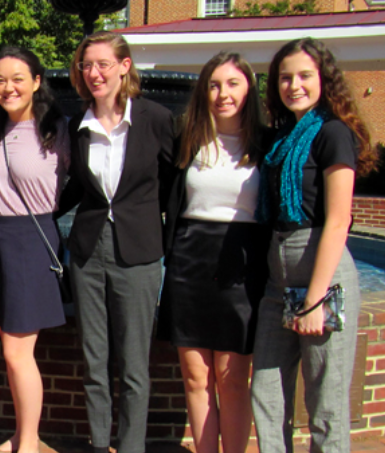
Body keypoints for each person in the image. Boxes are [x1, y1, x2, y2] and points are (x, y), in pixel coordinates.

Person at [250, 37, 377, 453]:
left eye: (305, 75)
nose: (294, 85)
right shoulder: (280, 140)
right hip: (279, 274)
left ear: (324, 78)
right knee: (266, 394)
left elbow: (339, 220)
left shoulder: (332, 133)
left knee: (325, 404)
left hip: (323, 270)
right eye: (285, 77)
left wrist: (316, 300)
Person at [58, 31, 174, 453]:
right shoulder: (78, 125)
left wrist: (163, 229)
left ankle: (130, 447)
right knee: (94, 361)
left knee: (134, 366)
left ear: (125, 66)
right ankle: (96, 443)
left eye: (103, 64)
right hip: (88, 253)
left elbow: (173, 182)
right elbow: (76, 188)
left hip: (139, 250)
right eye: (87, 65)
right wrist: (37, 212)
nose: (93, 73)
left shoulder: (156, 119)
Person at [156, 51, 269, 453]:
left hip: (242, 265)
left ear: (249, 90)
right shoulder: (186, 139)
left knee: (233, 377)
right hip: (190, 263)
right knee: (195, 376)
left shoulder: (267, 144)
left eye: (233, 84)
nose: (223, 94)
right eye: (215, 85)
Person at [0, 46, 69, 453]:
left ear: (35, 81)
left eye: (17, 78)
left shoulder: (58, 129)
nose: (7, 87)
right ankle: (20, 432)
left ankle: (28, 441)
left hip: (31, 240)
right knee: (10, 349)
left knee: (16, 351)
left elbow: (79, 181)